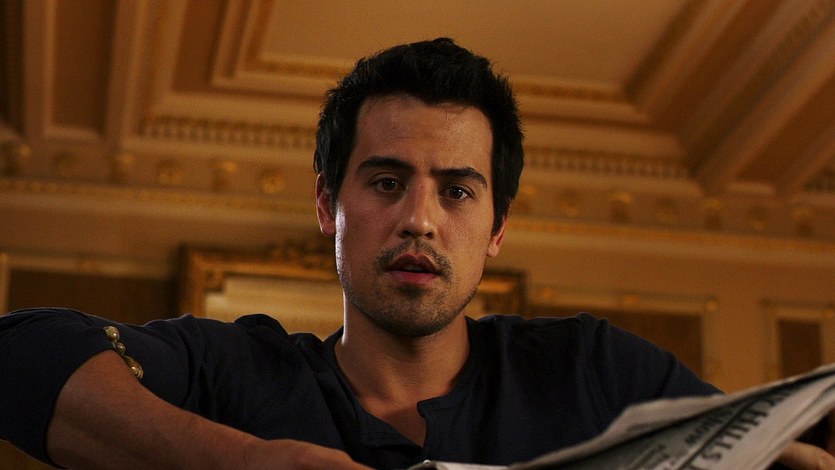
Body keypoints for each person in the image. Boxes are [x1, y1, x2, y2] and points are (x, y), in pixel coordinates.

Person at [0, 38, 832, 470]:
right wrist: (243, 461)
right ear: (327, 205)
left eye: (457, 191)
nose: (419, 221)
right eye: (386, 182)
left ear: (497, 228)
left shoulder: (593, 369)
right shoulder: (237, 371)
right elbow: (20, 355)